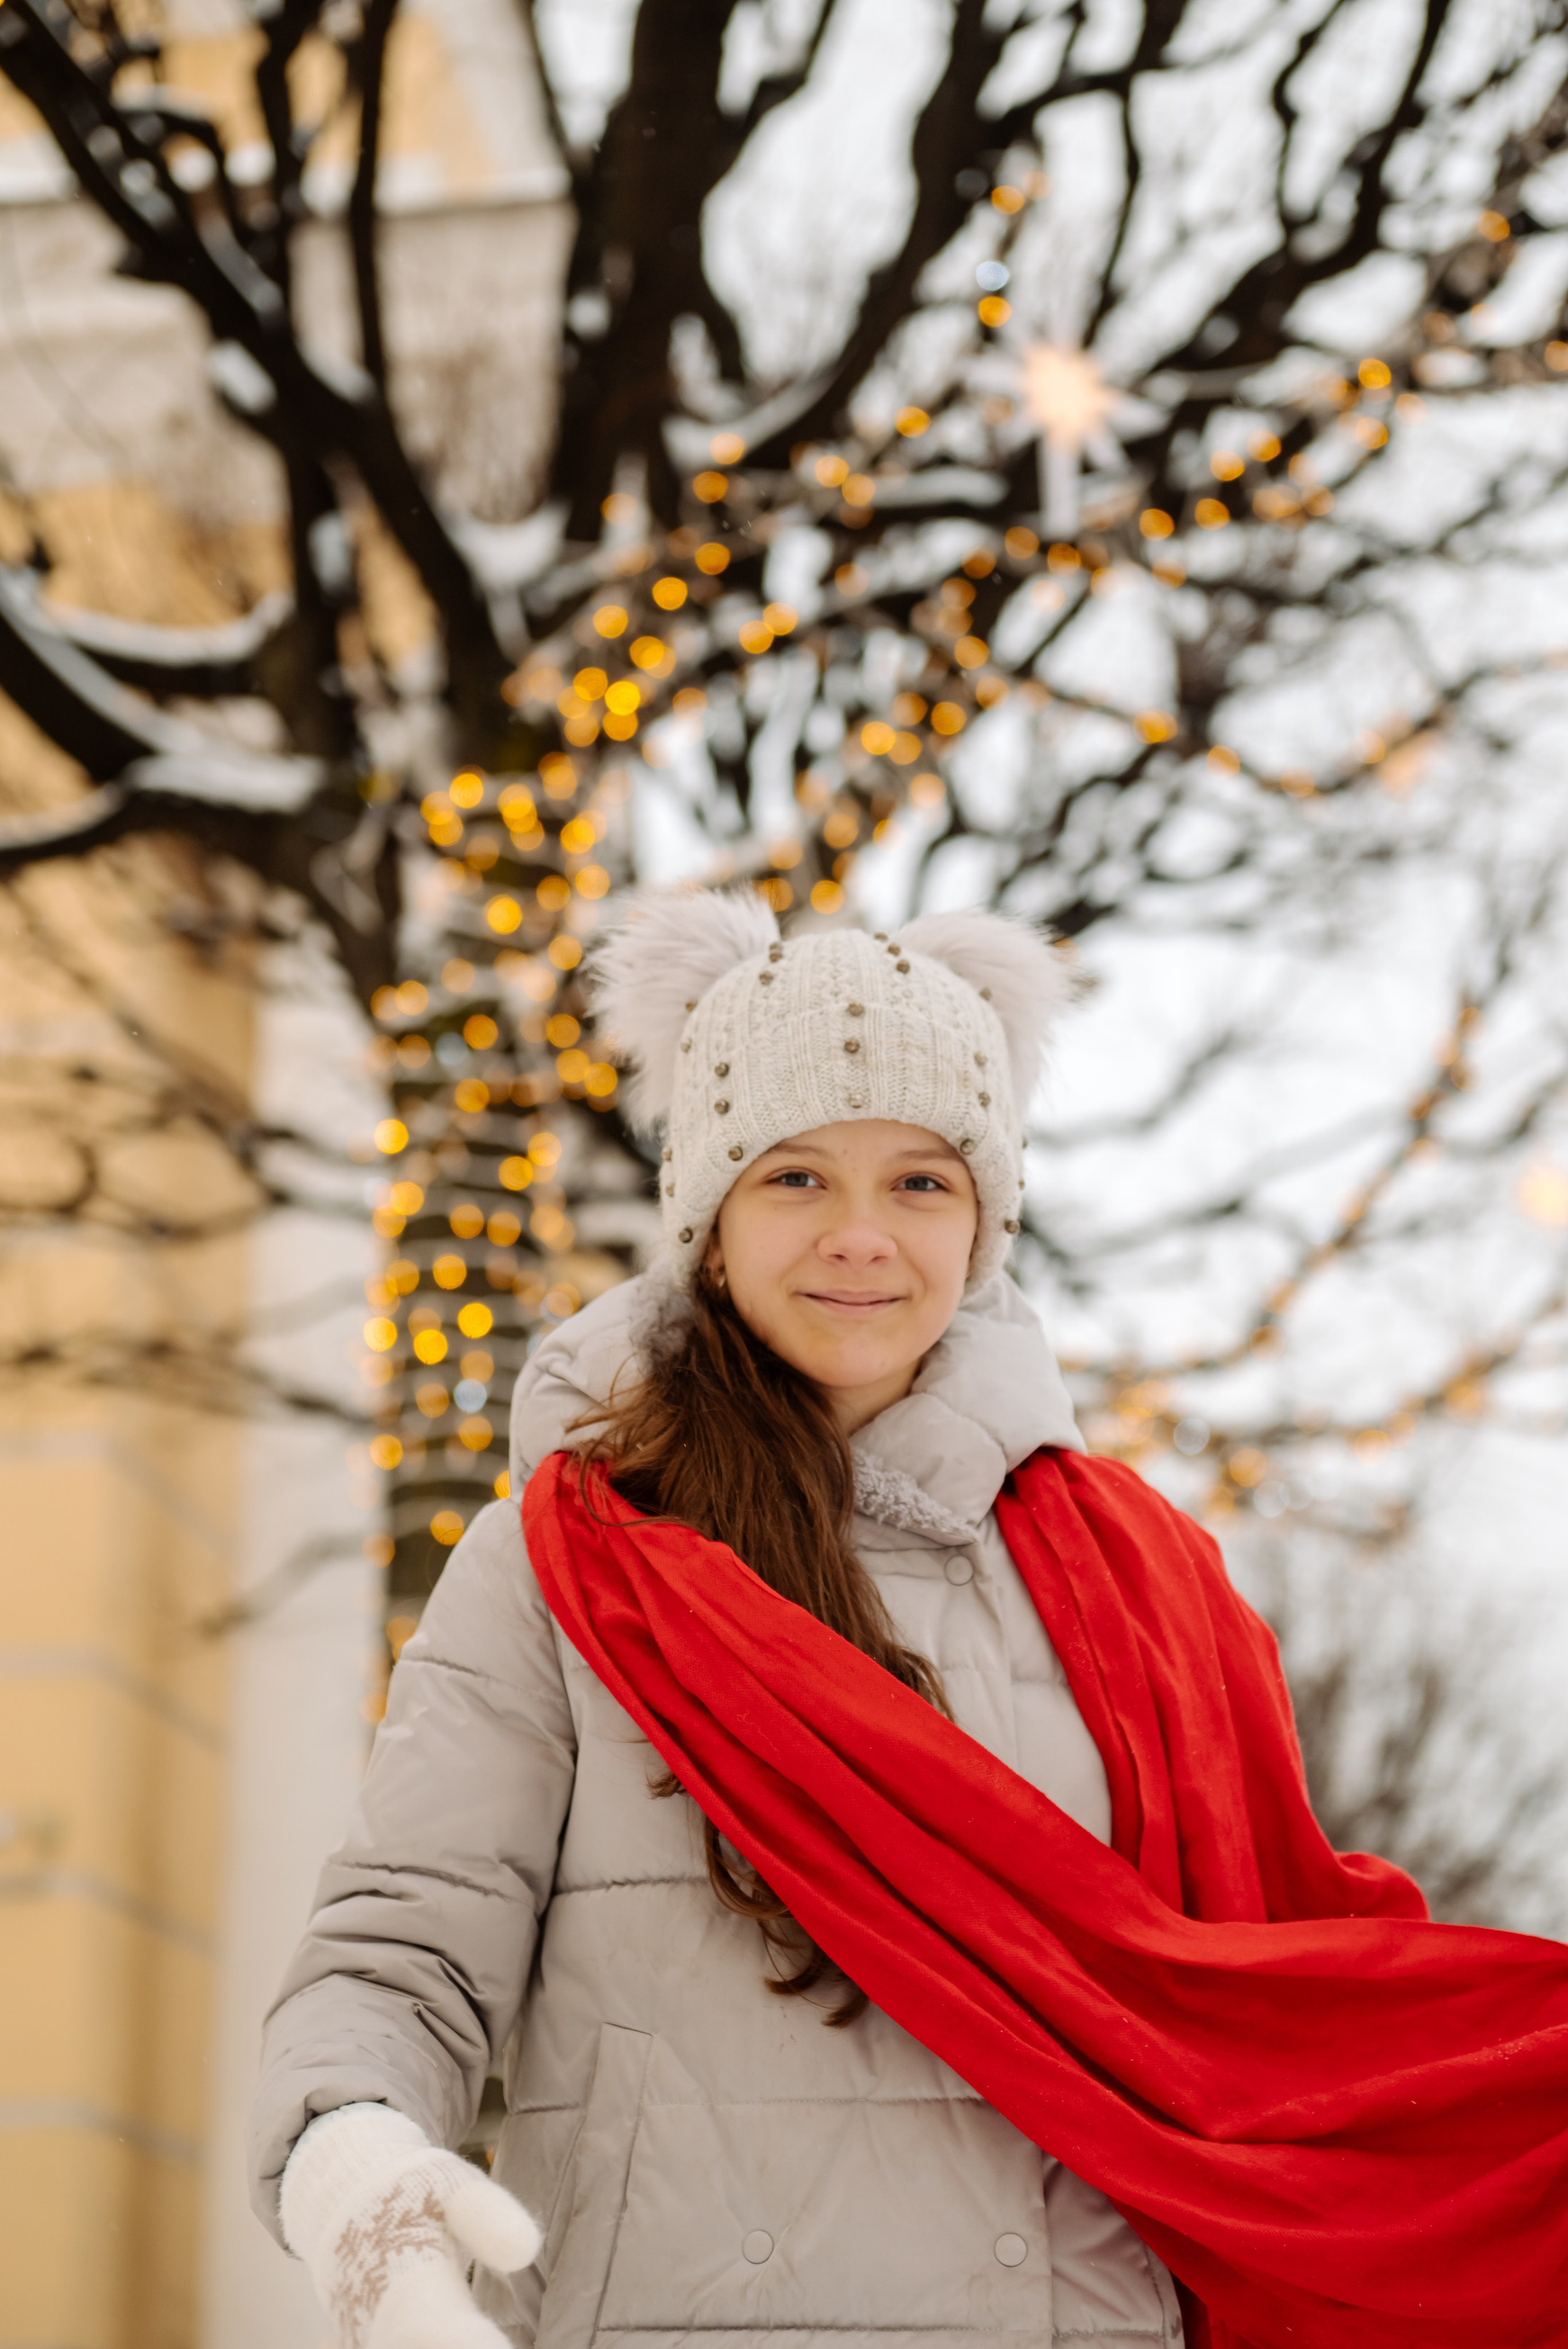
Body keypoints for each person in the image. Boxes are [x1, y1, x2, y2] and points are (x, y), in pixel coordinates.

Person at [249, 890, 1568, 2349]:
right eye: (796, 1177)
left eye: (921, 1182)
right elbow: (403, 1949)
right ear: (710, 1212)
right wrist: (354, 2168)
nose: (860, 1238)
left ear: (986, 1216)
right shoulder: (564, 1565)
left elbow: (1279, 2019)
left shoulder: (1143, 1584)